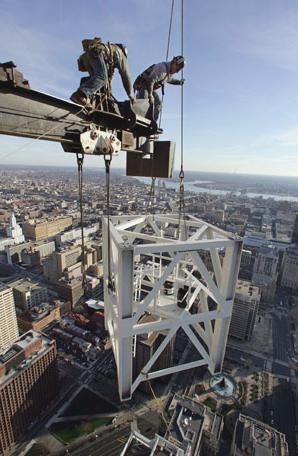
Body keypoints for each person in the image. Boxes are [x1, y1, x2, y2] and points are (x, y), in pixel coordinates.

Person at [70, 37, 134, 107]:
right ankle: (80, 95)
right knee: (102, 78)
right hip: (96, 52)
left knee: (96, 80)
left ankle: (88, 101)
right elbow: (126, 75)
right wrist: (130, 95)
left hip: (85, 57)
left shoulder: (110, 52)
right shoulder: (121, 53)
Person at [133, 56, 185, 121]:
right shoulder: (162, 68)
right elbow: (151, 80)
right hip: (144, 84)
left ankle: (151, 122)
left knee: (158, 103)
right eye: (177, 69)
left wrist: (179, 82)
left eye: (179, 70)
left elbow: (170, 80)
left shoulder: (168, 72)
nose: (177, 72)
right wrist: (150, 95)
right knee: (144, 101)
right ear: (174, 63)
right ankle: (136, 120)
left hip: (150, 87)